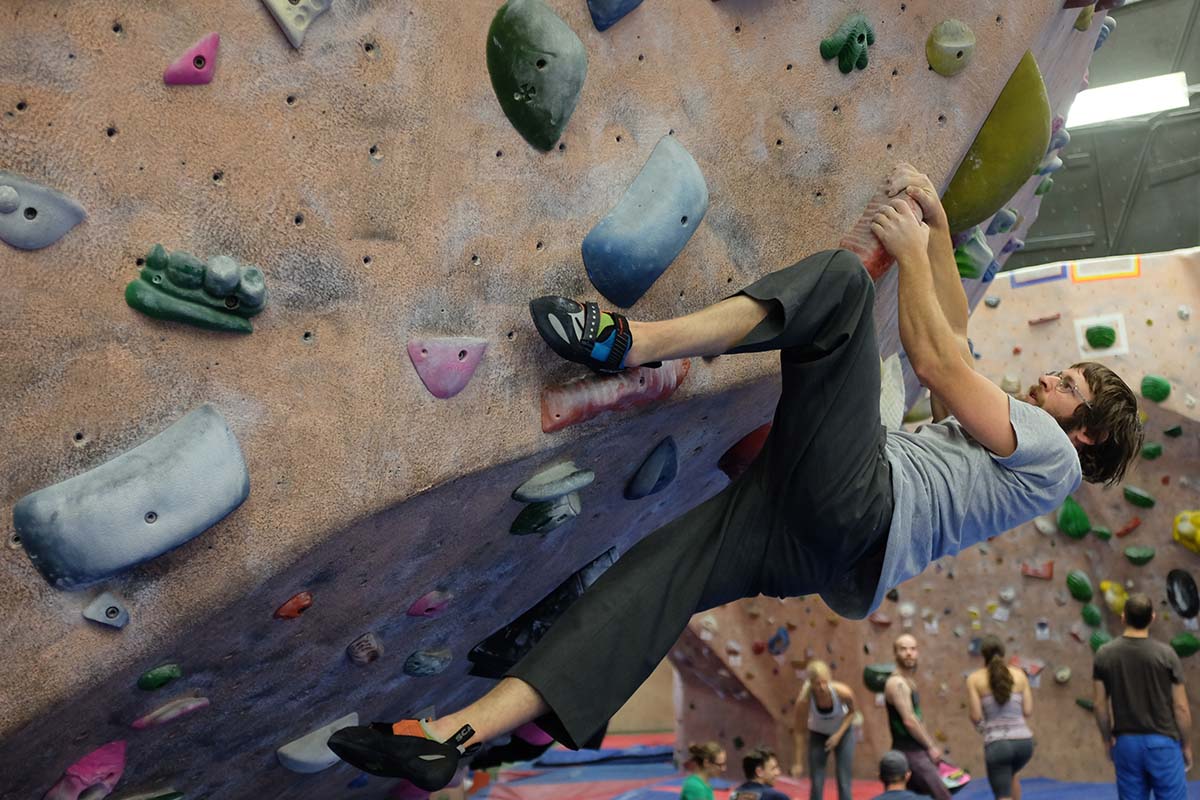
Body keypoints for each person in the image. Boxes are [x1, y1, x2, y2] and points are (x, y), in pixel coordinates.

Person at [328, 164, 1143, 790]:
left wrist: (904, 248)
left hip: (856, 502)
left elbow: (935, 357)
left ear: (1087, 427)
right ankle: (456, 736)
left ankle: (633, 342)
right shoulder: (1025, 460)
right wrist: (929, 229)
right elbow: (954, 347)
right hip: (819, 544)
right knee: (646, 585)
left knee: (836, 291)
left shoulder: (1052, 452)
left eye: (1067, 383)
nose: (1048, 382)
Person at [1093, 592, 1193, 800]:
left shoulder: (1104, 654)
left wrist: (1106, 740)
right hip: (1163, 743)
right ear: (1152, 618)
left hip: (1126, 743)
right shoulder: (1167, 655)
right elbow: (1181, 708)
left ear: (1123, 617)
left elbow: (1100, 705)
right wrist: (1186, 744)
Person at [966, 635, 1034, 800]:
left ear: (983, 654)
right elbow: (1027, 710)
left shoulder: (974, 679)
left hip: (998, 745)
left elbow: (975, 716)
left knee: (1003, 795)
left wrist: (986, 730)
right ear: (1003, 653)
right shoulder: (1019, 675)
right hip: (1024, 744)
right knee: (1011, 775)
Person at [885, 634, 949, 799]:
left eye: (912, 649)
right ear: (895, 653)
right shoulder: (897, 683)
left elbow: (916, 719)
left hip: (914, 749)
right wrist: (931, 746)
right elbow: (909, 720)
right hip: (910, 752)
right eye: (903, 649)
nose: (909, 653)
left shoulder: (908, 682)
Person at [795, 660, 857, 800]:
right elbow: (799, 730)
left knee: (844, 780)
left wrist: (838, 735)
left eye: (825, 682)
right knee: (816, 781)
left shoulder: (843, 692)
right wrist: (798, 762)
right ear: (811, 683)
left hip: (843, 733)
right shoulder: (804, 700)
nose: (822, 687)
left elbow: (852, 713)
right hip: (818, 735)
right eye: (817, 684)